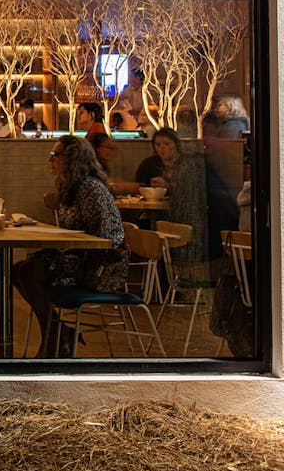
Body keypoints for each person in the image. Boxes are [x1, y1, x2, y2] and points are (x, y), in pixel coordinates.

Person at [14, 135, 128, 358]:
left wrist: (64, 249)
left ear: (72, 160)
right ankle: (58, 333)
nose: (50, 159)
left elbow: (105, 239)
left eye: (55, 154)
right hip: (81, 259)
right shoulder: (71, 187)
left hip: (102, 267)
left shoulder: (90, 189)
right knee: (18, 270)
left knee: (27, 271)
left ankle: (54, 336)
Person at [135, 127, 211, 263]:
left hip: (183, 215)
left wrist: (168, 186)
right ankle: (160, 264)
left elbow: (193, 190)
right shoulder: (149, 164)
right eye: (158, 145)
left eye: (166, 144)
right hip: (155, 214)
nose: (162, 148)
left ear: (176, 144)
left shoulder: (188, 164)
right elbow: (139, 185)